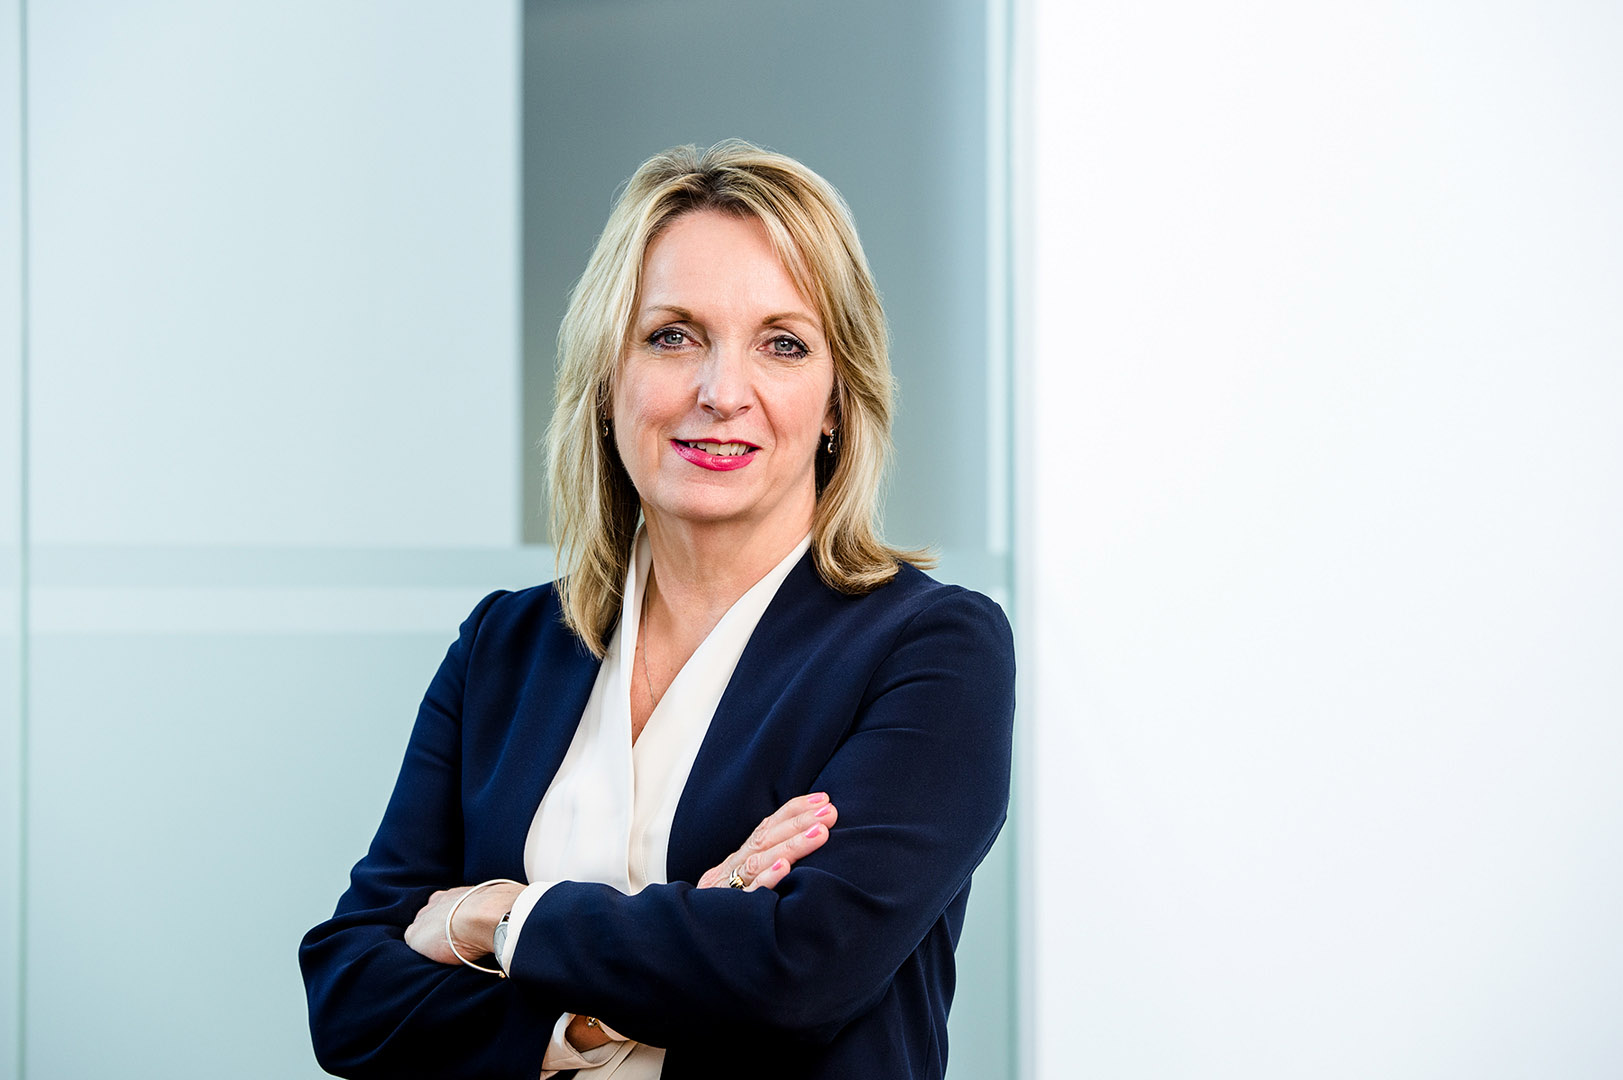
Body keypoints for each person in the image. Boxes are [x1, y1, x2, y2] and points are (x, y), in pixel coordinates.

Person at [299, 140, 1015, 1080]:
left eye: (782, 343)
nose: (721, 393)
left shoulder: (931, 648)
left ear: (838, 399)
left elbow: (798, 970)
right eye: (672, 334)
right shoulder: (504, 648)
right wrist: (605, 1014)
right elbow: (350, 994)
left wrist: (497, 917)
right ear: (607, 378)